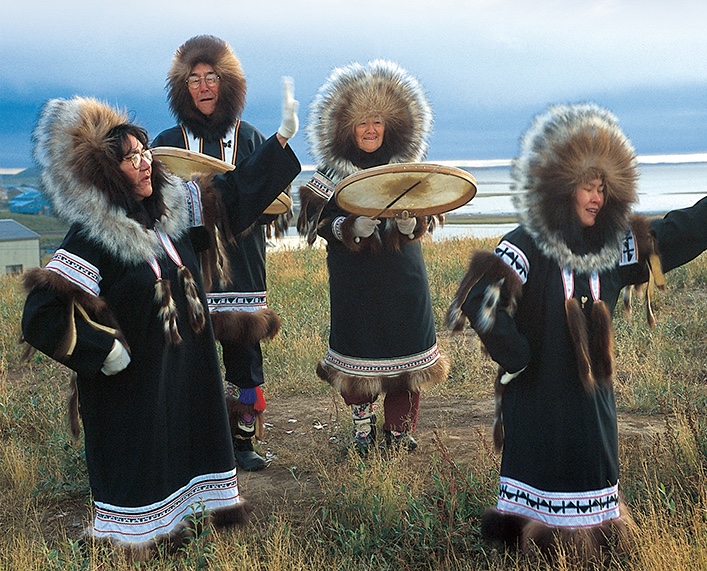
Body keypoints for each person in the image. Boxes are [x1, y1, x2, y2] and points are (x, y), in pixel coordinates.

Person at [446, 103, 707, 563]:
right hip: (536, 399)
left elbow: (673, 235)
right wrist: (515, 356)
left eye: (602, 188)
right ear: (562, 187)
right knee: (539, 513)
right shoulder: (526, 242)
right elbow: (479, 299)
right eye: (587, 186)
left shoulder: (614, 246)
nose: (596, 197)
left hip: (590, 405)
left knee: (593, 505)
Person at [21, 94, 300, 556]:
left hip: (186, 369)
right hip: (133, 385)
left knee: (187, 446)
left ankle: (186, 530)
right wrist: (103, 350)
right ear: (107, 173)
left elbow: (231, 197)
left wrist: (281, 140)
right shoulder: (94, 235)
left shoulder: (173, 210)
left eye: (144, 151)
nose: (145, 163)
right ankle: (139, 542)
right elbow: (42, 313)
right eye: (130, 159)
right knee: (144, 462)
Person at [153, 35, 299, 471]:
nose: (203, 86)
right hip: (188, 262)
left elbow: (271, 201)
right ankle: (192, 438)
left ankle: (242, 439)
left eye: (211, 76)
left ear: (227, 82)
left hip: (242, 259)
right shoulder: (166, 142)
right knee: (185, 349)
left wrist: (278, 146)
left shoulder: (250, 137)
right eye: (194, 78)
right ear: (183, 87)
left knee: (243, 350)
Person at [296, 59, 449, 454]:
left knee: (407, 356)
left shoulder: (408, 169)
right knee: (359, 352)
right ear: (346, 127)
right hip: (355, 281)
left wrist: (410, 226)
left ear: (391, 125)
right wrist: (346, 227)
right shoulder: (329, 173)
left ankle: (400, 432)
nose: (369, 130)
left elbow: (429, 212)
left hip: (403, 277)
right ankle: (362, 428)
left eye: (377, 121)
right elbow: (311, 223)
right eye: (362, 122)